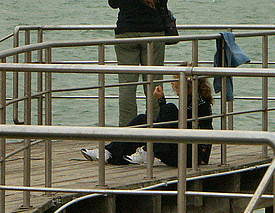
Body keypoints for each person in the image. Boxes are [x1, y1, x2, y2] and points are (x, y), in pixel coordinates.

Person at [81, 68, 214, 167]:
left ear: (186, 83)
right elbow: (176, 125)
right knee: (143, 119)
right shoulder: (190, 100)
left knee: (169, 108)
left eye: (175, 79)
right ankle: (110, 152)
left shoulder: (200, 104)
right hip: (181, 150)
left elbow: (183, 126)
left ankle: (147, 151)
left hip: (193, 157)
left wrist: (162, 101)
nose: (172, 83)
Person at [108, 0, 169, 127]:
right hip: (153, 34)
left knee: (126, 86)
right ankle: (155, 129)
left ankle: (127, 132)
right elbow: (162, 1)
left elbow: (113, 4)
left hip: (126, 35)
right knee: (153, 84)